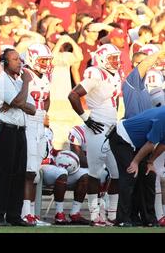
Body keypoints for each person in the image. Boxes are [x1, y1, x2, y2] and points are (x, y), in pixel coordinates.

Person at [68, 43, 121, 226]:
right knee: (95, 173)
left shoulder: (115, 74)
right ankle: (94, 215)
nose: (116, 61)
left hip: (112, 127)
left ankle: (112, 215)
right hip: (97, 127)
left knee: (117, 173)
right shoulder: (95, 73)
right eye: (112, 58)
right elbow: (73, 95)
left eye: (117, 57)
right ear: (102, 58)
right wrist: (86, 118)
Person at [0, 48, 35, 226]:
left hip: (20, 130)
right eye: (15, 59)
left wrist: (19, 102)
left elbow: (31, 109)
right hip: (6, 131)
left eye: (19, 59)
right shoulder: (2, 80)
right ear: (5, 62)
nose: (19, 62)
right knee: (4, 174)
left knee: (18, 174)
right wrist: (25, 84)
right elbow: (18, 102)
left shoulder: (16, 83)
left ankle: (14, 215)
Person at [108, 106, 165, 227]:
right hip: (121, 138)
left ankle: (148, 219)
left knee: (148, 175)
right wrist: (135, 162)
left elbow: (163, 144)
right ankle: (123, 219)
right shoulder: (163, 117)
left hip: (139, 143)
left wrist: (150, 162)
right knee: (130, 174)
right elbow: (151, 144)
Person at [20, 43, 53, 226]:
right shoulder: (25, 74)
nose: (46, 64)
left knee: (36, 172)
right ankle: (26, 213)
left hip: (40, 124)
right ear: (32, 58)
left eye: (48, 60)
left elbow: (46, 99)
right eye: (43, 60)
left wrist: (44, 113)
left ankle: (31, 212)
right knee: (29, 171)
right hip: (28, 124)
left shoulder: (44, 77)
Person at [41, 127, 90, 225]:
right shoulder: (31, 127)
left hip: (53, 166)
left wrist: (60, 153)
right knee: (62, 172)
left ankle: (75, 213)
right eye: (43, 111)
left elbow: (50, 150)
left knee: (85, 174)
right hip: (42, 166)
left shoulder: (49, 130)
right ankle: (59, 214)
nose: (47, 115)